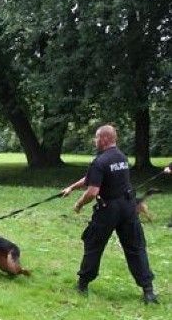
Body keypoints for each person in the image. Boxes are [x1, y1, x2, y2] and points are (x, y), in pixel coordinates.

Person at [61, 124, 158, 304]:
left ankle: (82, 285)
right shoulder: (121, 157)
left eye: (97, 137)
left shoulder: (100, 161)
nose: (95, 140)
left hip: (109, 210)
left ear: (105, 139)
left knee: (93, 244)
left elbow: (92, 191)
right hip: (129, 207)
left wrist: (79, 203)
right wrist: (71, 188)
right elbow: (91, 177)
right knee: (136, 248)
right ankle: (148, 291)